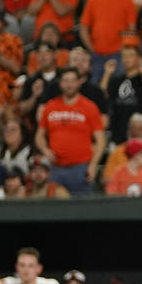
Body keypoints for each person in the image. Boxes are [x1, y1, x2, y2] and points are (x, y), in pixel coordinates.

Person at [36, 67, 107, 195]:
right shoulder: (50, 106)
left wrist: (93, 164)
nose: (69, 85)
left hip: (81, 168)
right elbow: (39, 136)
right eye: (66, 81)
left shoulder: (89, 107)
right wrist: (45, 150)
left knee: (83, 210)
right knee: (54, 210)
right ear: (60, 83)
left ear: (79, 82)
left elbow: (101, 140)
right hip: (55, 168)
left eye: (73, 81)